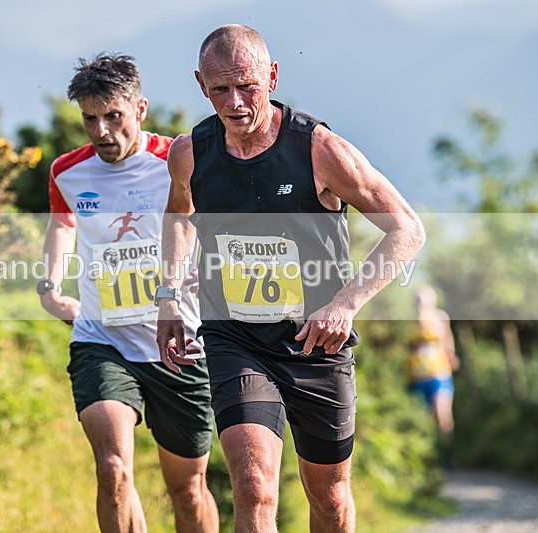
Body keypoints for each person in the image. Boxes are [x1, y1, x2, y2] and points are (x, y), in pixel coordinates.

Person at [156, 25, 425, 532]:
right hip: (235, 337)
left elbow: (407, 229)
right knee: (255, 488)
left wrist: (347, 303)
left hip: (314, 343)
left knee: (330, 498)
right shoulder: (189, 152)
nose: (235, 102)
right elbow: (178, 216)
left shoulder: (319, 150)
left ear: (272, 76)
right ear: (200, 84)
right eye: (220, 89)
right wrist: (170, 296)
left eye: (248, 86)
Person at [39, 53, 218, 532]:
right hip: (103, 339)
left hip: (181, 342)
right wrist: (49, 288)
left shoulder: (178, 160)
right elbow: (62, 225)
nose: (100, 131)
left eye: (112, 116)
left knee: (187, 488)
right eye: (90, 119)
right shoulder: (67, 171)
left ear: (139, 109)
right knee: (114, 468)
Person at [407, 285, 459, 464]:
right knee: (424, 420)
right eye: (418, 300)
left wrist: (452, 356)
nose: (421, 304)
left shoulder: (440, 318)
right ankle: (428, 459)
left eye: (425, 300)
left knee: (442, 415)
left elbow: (448, 341)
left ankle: (447, 455)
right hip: (416, 376)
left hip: (439, 373)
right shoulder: (409, 321)